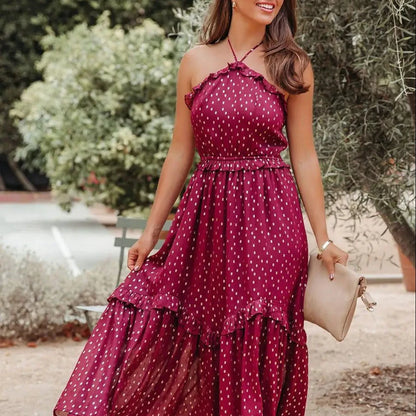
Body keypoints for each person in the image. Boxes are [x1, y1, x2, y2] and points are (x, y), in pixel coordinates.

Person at [54, 0, 349, 415]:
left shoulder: (293, 65)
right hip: (205, 222)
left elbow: (304, 156)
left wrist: (325, 237)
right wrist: (150, 233)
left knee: (255, 330)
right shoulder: (194, 61)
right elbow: (179, 153)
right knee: (185, 322)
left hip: (271, 221)